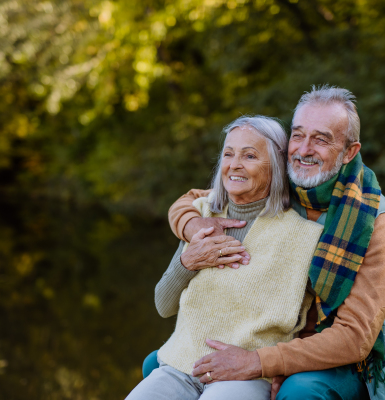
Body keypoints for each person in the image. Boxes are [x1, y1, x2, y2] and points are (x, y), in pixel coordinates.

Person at [153, 85, 385, 400]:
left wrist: (264, 362)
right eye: (298, 135)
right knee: (156, 363)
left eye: (321, 139)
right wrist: (194, 226)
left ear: (349, 152)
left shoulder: (371, 220)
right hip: (273, 340)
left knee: (298, 392)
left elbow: (354, 337)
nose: (304, 149)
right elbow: (193, 199)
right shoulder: (287, 178)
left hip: (336, 355)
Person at [126, 116, 326, 400]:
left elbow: (312, 323)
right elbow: (163, 305)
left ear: (276, 166)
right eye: (228, 154)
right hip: (180, 369)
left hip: (246, 376)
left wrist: (285, 367)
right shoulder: (202, 216)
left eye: (250, 155)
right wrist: (188, 263)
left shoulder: (304, 236)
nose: (234, 164)